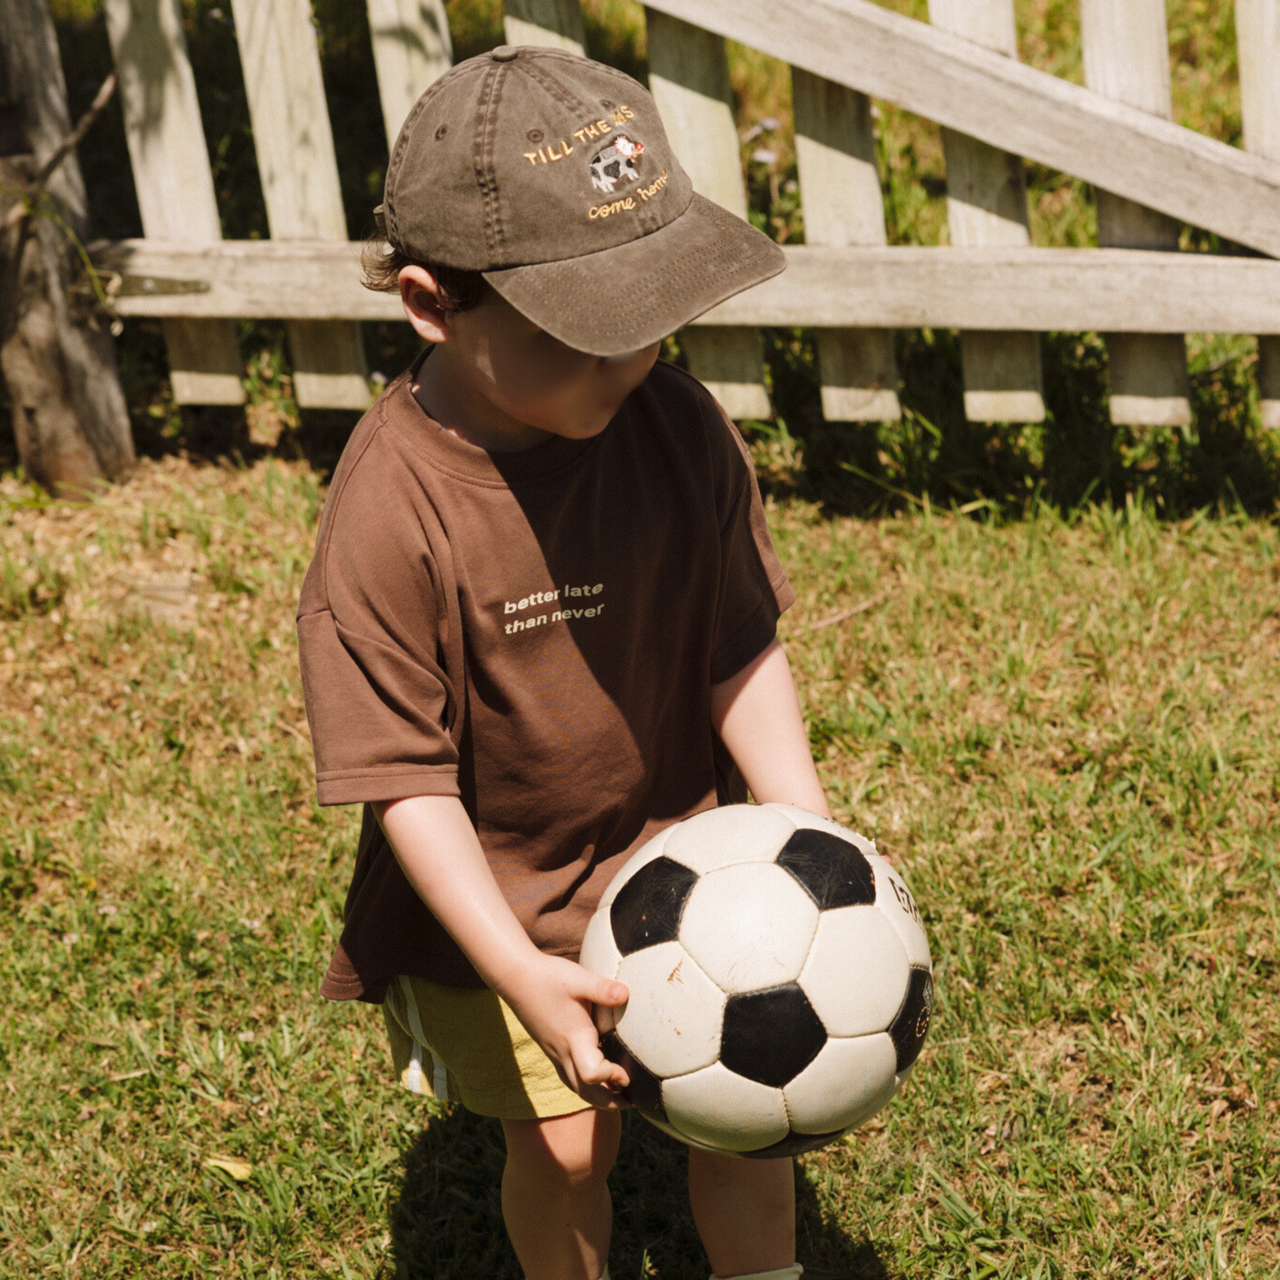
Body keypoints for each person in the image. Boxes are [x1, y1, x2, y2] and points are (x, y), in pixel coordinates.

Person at [297, 44, 833, 1280]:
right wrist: (514, 966)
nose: (628, 360)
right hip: (504, 901)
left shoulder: (675, 425)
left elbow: (737, 644)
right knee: (567, 1145)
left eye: (649, 318)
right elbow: (407, 781)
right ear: (432, 303)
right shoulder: (389, 511)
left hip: (694, 866)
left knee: (755, 1111)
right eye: (583, 333)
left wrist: (806, 833)